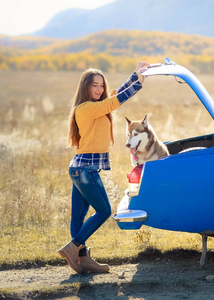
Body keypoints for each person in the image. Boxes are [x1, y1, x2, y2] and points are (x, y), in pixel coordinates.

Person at [58, 62, 149, 274]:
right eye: (94, 86)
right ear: (85, 88)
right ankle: (73, 247)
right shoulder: (87, 108)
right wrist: (139, 84)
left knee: (78, 217)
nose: (99, 89)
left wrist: (135, 75)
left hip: (81, 169)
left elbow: (115, 96)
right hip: (84, 170)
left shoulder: (97, 105)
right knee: (104, 210)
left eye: (101, 85)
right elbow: (116, 101)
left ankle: (82, 259)